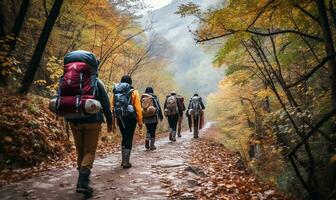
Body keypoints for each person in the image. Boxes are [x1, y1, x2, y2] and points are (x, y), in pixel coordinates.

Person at [61, 50, 113, 197]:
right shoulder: (96, 82)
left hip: (73, 119)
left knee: (80, 150)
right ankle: (83, 182)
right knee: (89, 151)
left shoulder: (66, 80)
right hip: (92, 120)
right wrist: (110, 121)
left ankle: (83, 179)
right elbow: (105, 104)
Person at [111, 75, 143, 168]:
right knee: (129, 137)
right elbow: (138, 108)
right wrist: (140, 122)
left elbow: (112, 106)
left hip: (120, 117)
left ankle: (123, 160)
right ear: (130, 83)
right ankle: (126, 162)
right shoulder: (134, 92)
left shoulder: (116, 92)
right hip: (131, 118)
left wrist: (114, 119)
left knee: (124, 137)